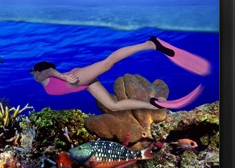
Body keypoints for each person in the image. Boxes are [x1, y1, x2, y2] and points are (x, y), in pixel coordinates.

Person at [29, 36, 209, 111]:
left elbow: (49, 70)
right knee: (113, 105)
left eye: (33, 71)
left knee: (108, 63)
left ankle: (150, 44)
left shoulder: (39, 75)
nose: (32, 74)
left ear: (37, 70)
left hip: (74, 80)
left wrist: (63, 77)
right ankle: (154, 105)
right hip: (82, 85)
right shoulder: (42, 78)